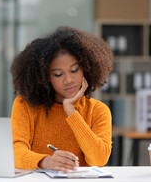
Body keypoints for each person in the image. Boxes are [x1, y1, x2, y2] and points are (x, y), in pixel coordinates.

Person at [10, 26, 113, 172]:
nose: (69, 80)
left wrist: (71, 110)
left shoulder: (98, 110)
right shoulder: (26, 105)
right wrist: (46, 161)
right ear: (45, 77)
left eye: (74, 70)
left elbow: (99, 159)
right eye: (58, 74)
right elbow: (15, 152)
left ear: (86, 68)